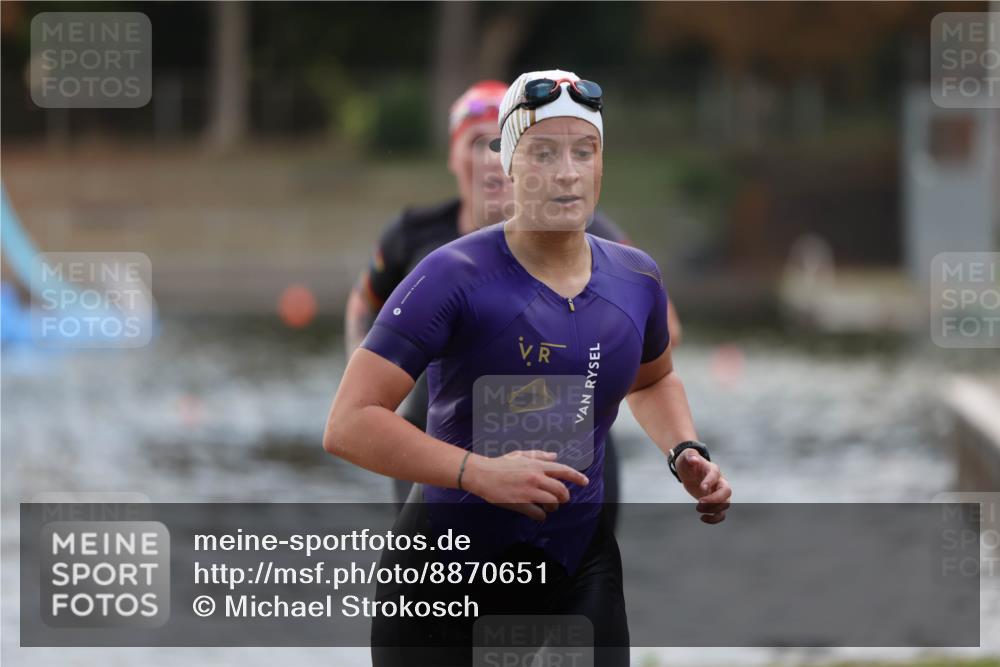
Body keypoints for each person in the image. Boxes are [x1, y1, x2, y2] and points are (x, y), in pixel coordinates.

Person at [324, 69, 731, 667]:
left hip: (577, 565)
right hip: (444, 576)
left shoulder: (636, 277)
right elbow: (348, 422)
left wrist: (684, 450)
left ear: (600, 164)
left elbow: (655, 378)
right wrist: (478, 473)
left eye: (583, 151)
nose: (567, 171)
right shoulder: (450, 274)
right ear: (509, 165)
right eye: (543, 152)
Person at [343, 80, 683, 522]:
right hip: (438, 439)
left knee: (576, 566)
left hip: (572, 441)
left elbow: (660, 331)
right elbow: (363, 306)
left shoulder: (589, 228)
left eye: (496, 142)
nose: (487, 158)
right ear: (454, 154)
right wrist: (368, 363)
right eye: (475, 142)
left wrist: (566, 352)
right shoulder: (417, 237)